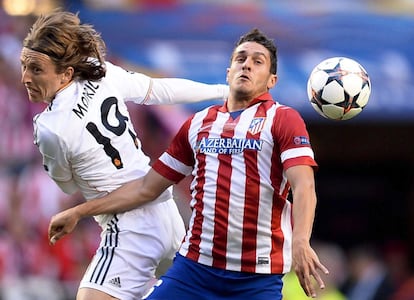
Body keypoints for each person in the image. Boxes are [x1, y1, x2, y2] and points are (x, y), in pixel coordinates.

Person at [48, 28, 329, 299]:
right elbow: (147, 188)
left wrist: (302, 241)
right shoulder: (198, 123)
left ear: (271, 81)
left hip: (256, 279)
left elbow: (303, 184)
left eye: (258, 62)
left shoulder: (283, 119)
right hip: (195, 271)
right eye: (240, 59)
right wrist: (79, 211)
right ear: (228, 71)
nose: (247, 66)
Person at [20, 10, 228, 300]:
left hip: (129, 226)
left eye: (36, 69)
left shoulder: (49, 127)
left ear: (66, 73)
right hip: (166, 214)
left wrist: (78, 209)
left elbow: (67, 185)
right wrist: (222, 90)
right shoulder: (100, 72)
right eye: (24, 66)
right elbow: (160, 90)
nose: (25, 77)